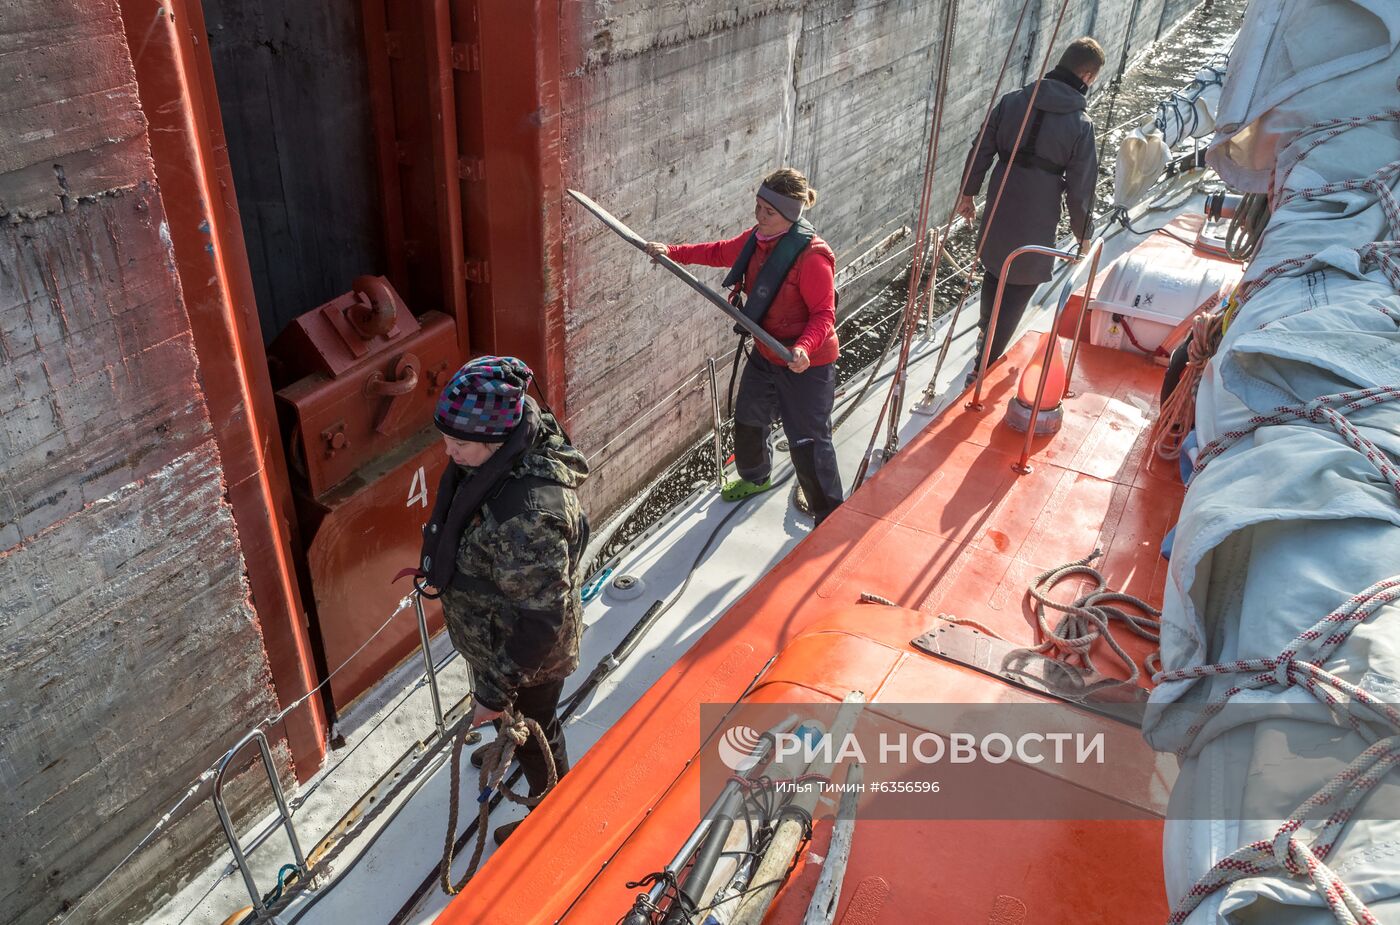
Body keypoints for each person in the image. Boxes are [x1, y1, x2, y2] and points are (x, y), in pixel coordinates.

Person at [417, 355, 590, 845]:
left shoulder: (527, 515)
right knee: (514, 716)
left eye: (460, 442)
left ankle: (552, 814)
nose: (448, 451)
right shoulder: (500, 453)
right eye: (446, 437)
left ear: (495, 439)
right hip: (494, 637)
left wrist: (493, 694)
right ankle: (502, 733)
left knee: (537, 728)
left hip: (526, 655)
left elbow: (540, 620)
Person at [645, 167, 844, 524]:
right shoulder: (757, 240)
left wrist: (802, 349)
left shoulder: (812, 257)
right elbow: (719, 252)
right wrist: (672, 252)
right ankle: (756, 477)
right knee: (750, 418)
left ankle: (827, 514)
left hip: (806, 363)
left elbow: (823, 314)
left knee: (808, 442)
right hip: (767, 353)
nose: (758, 217)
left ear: (789, 215)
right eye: (757, 207)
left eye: (768, 212)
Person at [956, 36, 1104, 386]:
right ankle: (985, 362)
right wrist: (1084, 234)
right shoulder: (1081, 126)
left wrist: (968, 192)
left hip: (1002, 197)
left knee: (995, 267)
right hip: (1038, 211)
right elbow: (1081, 189)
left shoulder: (1011, 102)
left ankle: (983, 334)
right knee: (1021, 282)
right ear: (1086, 75)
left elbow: (982, 148)